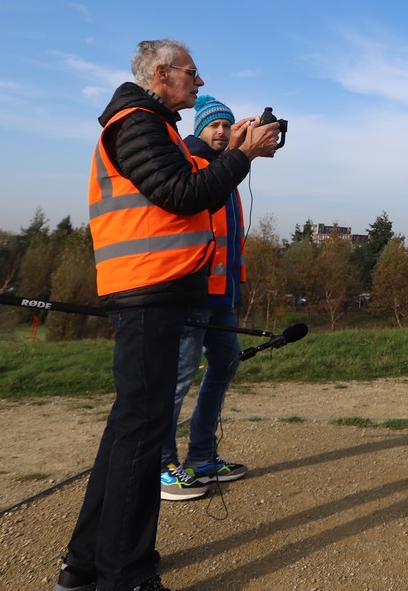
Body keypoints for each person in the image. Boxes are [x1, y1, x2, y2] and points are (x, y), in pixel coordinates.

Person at [54, 40, 278, 591]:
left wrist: (236, 148)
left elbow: (190, 180)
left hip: (155, 289)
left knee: (129, 429)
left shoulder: (155, 126)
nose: (199, 82)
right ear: (161, 73)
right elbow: (181, 193)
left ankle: (85, 565)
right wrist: (243, 157)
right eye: (192, 73)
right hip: (148, 289)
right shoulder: (137, 123)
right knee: (141, 434)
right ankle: (126, 574)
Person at [159, 94, 249, 502]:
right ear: (200, 129)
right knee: (178, 377)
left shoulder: (226, 170)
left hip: (221, 296)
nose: (222, 132)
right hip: (193, 292)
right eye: (215, 125)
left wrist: (235, 285)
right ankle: (162, 464)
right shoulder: (189, 164)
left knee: (225, 363)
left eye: (227, 126)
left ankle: (201, 455)